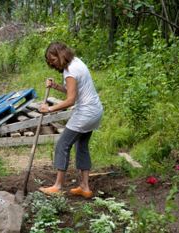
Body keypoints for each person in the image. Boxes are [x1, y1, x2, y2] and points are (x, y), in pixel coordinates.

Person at [39, 42, 103, 198]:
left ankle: (58, 186)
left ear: (60, 55)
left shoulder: (70, 70)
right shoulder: (76, 62)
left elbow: (70, 101)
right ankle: (85, 188)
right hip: (95, 111)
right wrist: (56, 86)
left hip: (86, 113)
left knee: (63, 144)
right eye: (49, 61)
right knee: (81, 146)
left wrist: (49, 109)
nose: (51, 64)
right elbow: (72, 90)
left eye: (52, 60)